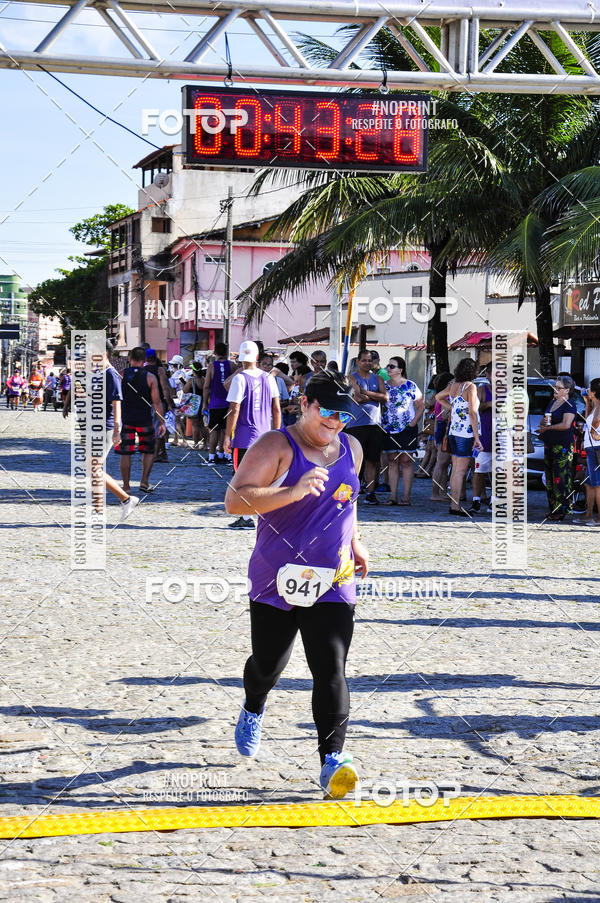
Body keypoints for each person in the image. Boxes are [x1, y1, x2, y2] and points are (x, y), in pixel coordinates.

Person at [225, 371, 367, 799]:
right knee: (268, 664)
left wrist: (356, 542)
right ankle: (254, 705)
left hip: (333, 577)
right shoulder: (275, 445)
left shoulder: (352, 448)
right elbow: (235, 500)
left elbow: (347, 501)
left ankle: (333, 761)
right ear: (304, 403)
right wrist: (292, 491)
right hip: (277, 576)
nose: (335, 422)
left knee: (331, 666)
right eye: (327, 412)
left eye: (343, 415)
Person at [63, 342, 140, 522]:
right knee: (94, 469)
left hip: (105, 427)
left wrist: (117, 430)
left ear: (103, 353)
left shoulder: (111, 374)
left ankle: (126, 499)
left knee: (93, 468)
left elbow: (117, 403)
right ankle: (99, 511)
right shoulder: (97, 373)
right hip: (92, 425)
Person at [224, 340, 281, 529]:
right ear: (257, 357)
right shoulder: (269, 378)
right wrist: (277, 433)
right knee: (263, 477)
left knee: (241, 478)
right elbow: (276, 409)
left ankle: (246, 516)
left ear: (240, 358)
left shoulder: (239, 379)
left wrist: (227, 436)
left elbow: (234, 409)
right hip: (265, 437)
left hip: (244, 438)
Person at [436, 358, 482, 516]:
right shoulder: (470, 387)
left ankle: (453, 504)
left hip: (454, 431)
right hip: (466, 433)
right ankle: (455, 506)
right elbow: (472, 413)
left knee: (455, 469)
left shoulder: (453, 385)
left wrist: (453, 407)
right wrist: (477, 437)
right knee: (460, 471)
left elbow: (438, 397)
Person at [116, 346, 166, 494]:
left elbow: (115, 398)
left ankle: (126, 486)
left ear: (130, 359)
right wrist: (162, 422)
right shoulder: (150, 377)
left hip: (126, 419)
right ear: (144, 360)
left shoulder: (121, 375)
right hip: (144, 419)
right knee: (148, 450)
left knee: (125, 453)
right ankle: (144, 481)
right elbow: (157, 402)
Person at [347, 350, 388, 505]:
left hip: (375, 424)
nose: (367, 363)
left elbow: (385, 397)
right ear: (358, 361)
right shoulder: (352, 377)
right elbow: (358, 398)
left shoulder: (378, 378)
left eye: (370, 360)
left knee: (373, 460)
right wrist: (373, 395)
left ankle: (370, 493)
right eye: (364, 360)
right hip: (356, 424)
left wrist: (365, 392)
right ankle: (353, 491)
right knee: (356, 460)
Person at [381, 357, 424, 506]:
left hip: (407, 428)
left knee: (406, 461)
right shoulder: (384, 386)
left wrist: (412, 423)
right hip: (389, 428)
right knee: (392, 461)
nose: (388, 368)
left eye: (392, 366)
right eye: (388, 365)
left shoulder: (410, 385)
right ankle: (393, 496)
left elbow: (421, 406)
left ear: (400, 370)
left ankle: (406, 497)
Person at [538, 375, 577, 521]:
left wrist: (548, 428)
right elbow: (545, 419)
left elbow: (566, 425)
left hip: (563, 446)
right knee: (549, 478)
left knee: (560, 478)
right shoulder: (553, 402)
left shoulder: (569, 404)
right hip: (550, 444)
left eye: (559, 387)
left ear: (567, 390)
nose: (555, 389)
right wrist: (543, 424)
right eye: (555, 386)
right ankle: (553, 508)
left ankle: (563, 509)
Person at [202, 342, 233, 465]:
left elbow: (206, 386)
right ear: (226, 352)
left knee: (214, 431)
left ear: (215, 353)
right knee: (226, 431)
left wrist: (205, 403)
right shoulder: (232, 365)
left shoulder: (211, 366)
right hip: (229, 403)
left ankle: (211, 457)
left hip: (215, 403)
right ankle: (226, 455)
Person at [469, 362, 493, 513]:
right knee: (479, 470)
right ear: (488, 375)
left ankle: (494, 500)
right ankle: (476, 500)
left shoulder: (509, 390)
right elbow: (474, 409)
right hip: (484, 436)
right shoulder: (482, 390)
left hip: (501, 437)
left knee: (499, 471)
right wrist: (489, 404)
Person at [430, 372, 453, 501]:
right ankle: (435, 493)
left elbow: (436, 419)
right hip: (445, 428)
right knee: (441, 462)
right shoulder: (446, 397)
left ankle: (442, 492)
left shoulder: (441, 396)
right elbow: (444, 415)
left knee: (444, 464)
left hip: (440, 428)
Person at [581, 377, 600, 525]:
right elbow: (588, 422)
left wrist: (594, 433)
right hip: (590, 448)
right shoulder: (595, 405)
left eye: (589, 388)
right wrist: (588, 403)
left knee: (597, 483)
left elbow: (595, 422)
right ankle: (588, 514)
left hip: (596, 448)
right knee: (588, 482)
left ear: (594, 392)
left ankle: (599, 517)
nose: (587, 390)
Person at [182, 361, 208, 450]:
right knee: (203, 425)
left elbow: (185, 390)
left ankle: (196, 444)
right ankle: (205, 444)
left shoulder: (192, 380)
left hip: (194, 404)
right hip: (204, 403)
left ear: (193, 371)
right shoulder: (204, 380)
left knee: (195, 425)